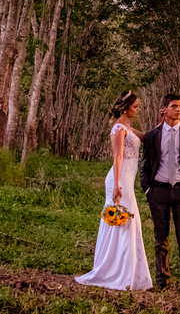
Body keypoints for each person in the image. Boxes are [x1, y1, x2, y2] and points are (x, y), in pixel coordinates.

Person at [74, 92, 155, 291]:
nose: (137, 109)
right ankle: (115, 271)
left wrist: (163, 121)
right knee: (123, 220)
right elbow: (118, 156)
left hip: (126, 178)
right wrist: (117, 184)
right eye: (135, 106)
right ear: (125, 108)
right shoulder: (119, 128)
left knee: (128, 222)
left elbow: (146, 138)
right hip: (120, 180)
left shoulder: (128, 127)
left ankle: (129, 271)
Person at [140, 92, 180, 292]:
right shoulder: (152, 135)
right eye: (174, 106)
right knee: (161, 238)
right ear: (165, 109)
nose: (178, 110)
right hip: (158, 191)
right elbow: (145, 166)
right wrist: (148, 190)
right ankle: (163, 282)